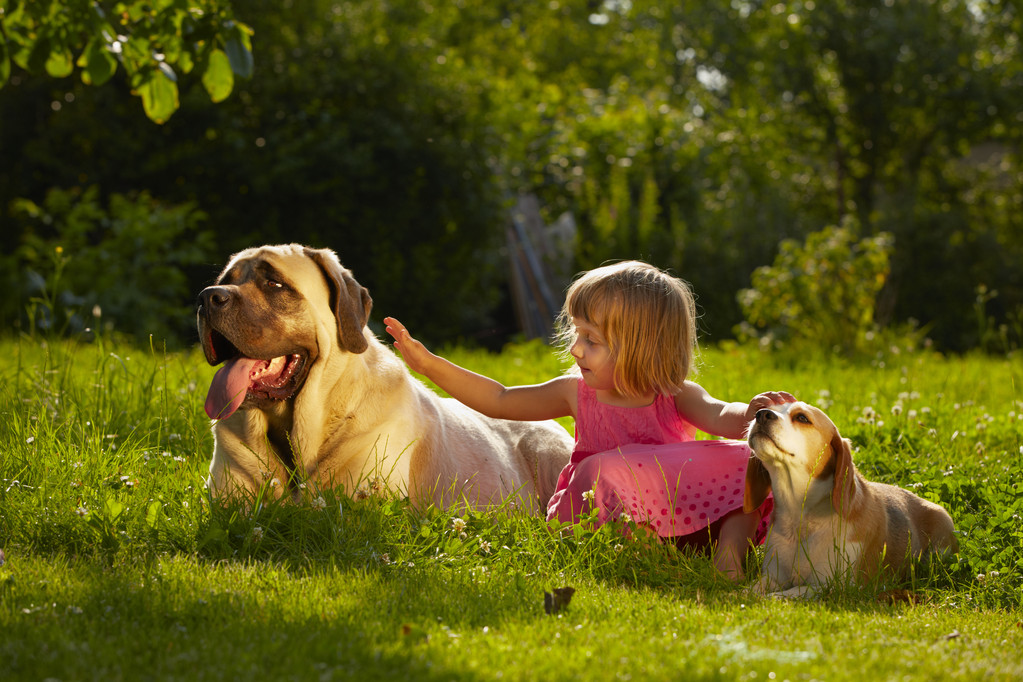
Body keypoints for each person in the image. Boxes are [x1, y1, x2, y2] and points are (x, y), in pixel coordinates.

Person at [383, 260, 794, 580]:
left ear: (640, 347)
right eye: (577, 335)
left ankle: (729, 556)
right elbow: (499, 398)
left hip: (684, 516)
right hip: (607, 514)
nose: (576, 350)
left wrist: (754, 411)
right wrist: (430, 365)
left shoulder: (674, 392)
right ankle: (645, 559)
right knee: (605, 469)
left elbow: (722, 417)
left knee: (750, 460)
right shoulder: (576, 392)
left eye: (591, 340)